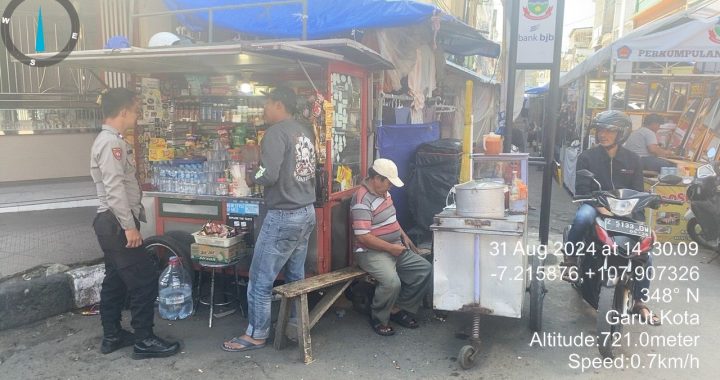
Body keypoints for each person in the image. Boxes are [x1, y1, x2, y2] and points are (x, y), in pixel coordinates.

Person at [223, 86, 317, 352]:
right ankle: (296, 325)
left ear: (278, 104)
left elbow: (269, 173)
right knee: (295, 277)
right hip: (306, 212)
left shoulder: (276, 133)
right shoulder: (303, 130)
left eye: (266, 104)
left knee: (260, 278)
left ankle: (256, 334)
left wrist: (252, 176)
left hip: (285, 214)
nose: (264, 109)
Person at [91, 88, 180, 359]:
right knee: (144, 280)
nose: (136, 116)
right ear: (123, 111)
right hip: (117, 223)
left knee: (116, 279)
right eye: (135, 110)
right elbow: (114, 186)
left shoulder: (109, 140)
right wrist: (129, 226)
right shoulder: (111, 143)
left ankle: (113, 335)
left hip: (111, 222)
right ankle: (144, 340)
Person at [562, 110, 660, 325]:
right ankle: (569, 260)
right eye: (600, 130)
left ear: (621, 133)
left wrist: (641, 222)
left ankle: (640, 301)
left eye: (609, 130)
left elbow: (638, 192)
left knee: (646, 254)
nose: (603, 134)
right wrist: (600, 207)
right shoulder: (587, 157)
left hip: (625, 211)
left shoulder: (633, 159)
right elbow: (581, 191)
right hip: (596, 206)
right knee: (581, 218)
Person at [351, 158, 432, 336]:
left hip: (394, 246)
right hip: (370, 252)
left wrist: (403, 235)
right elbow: (363, 236)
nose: (391, 187)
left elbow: (391, 219)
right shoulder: (362, 200)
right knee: (391, 282)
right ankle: (379, 317)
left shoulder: (384, 193)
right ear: (377, 178)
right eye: (389, 182)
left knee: (424, 270)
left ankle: (396, 308)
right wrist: (390, 248)